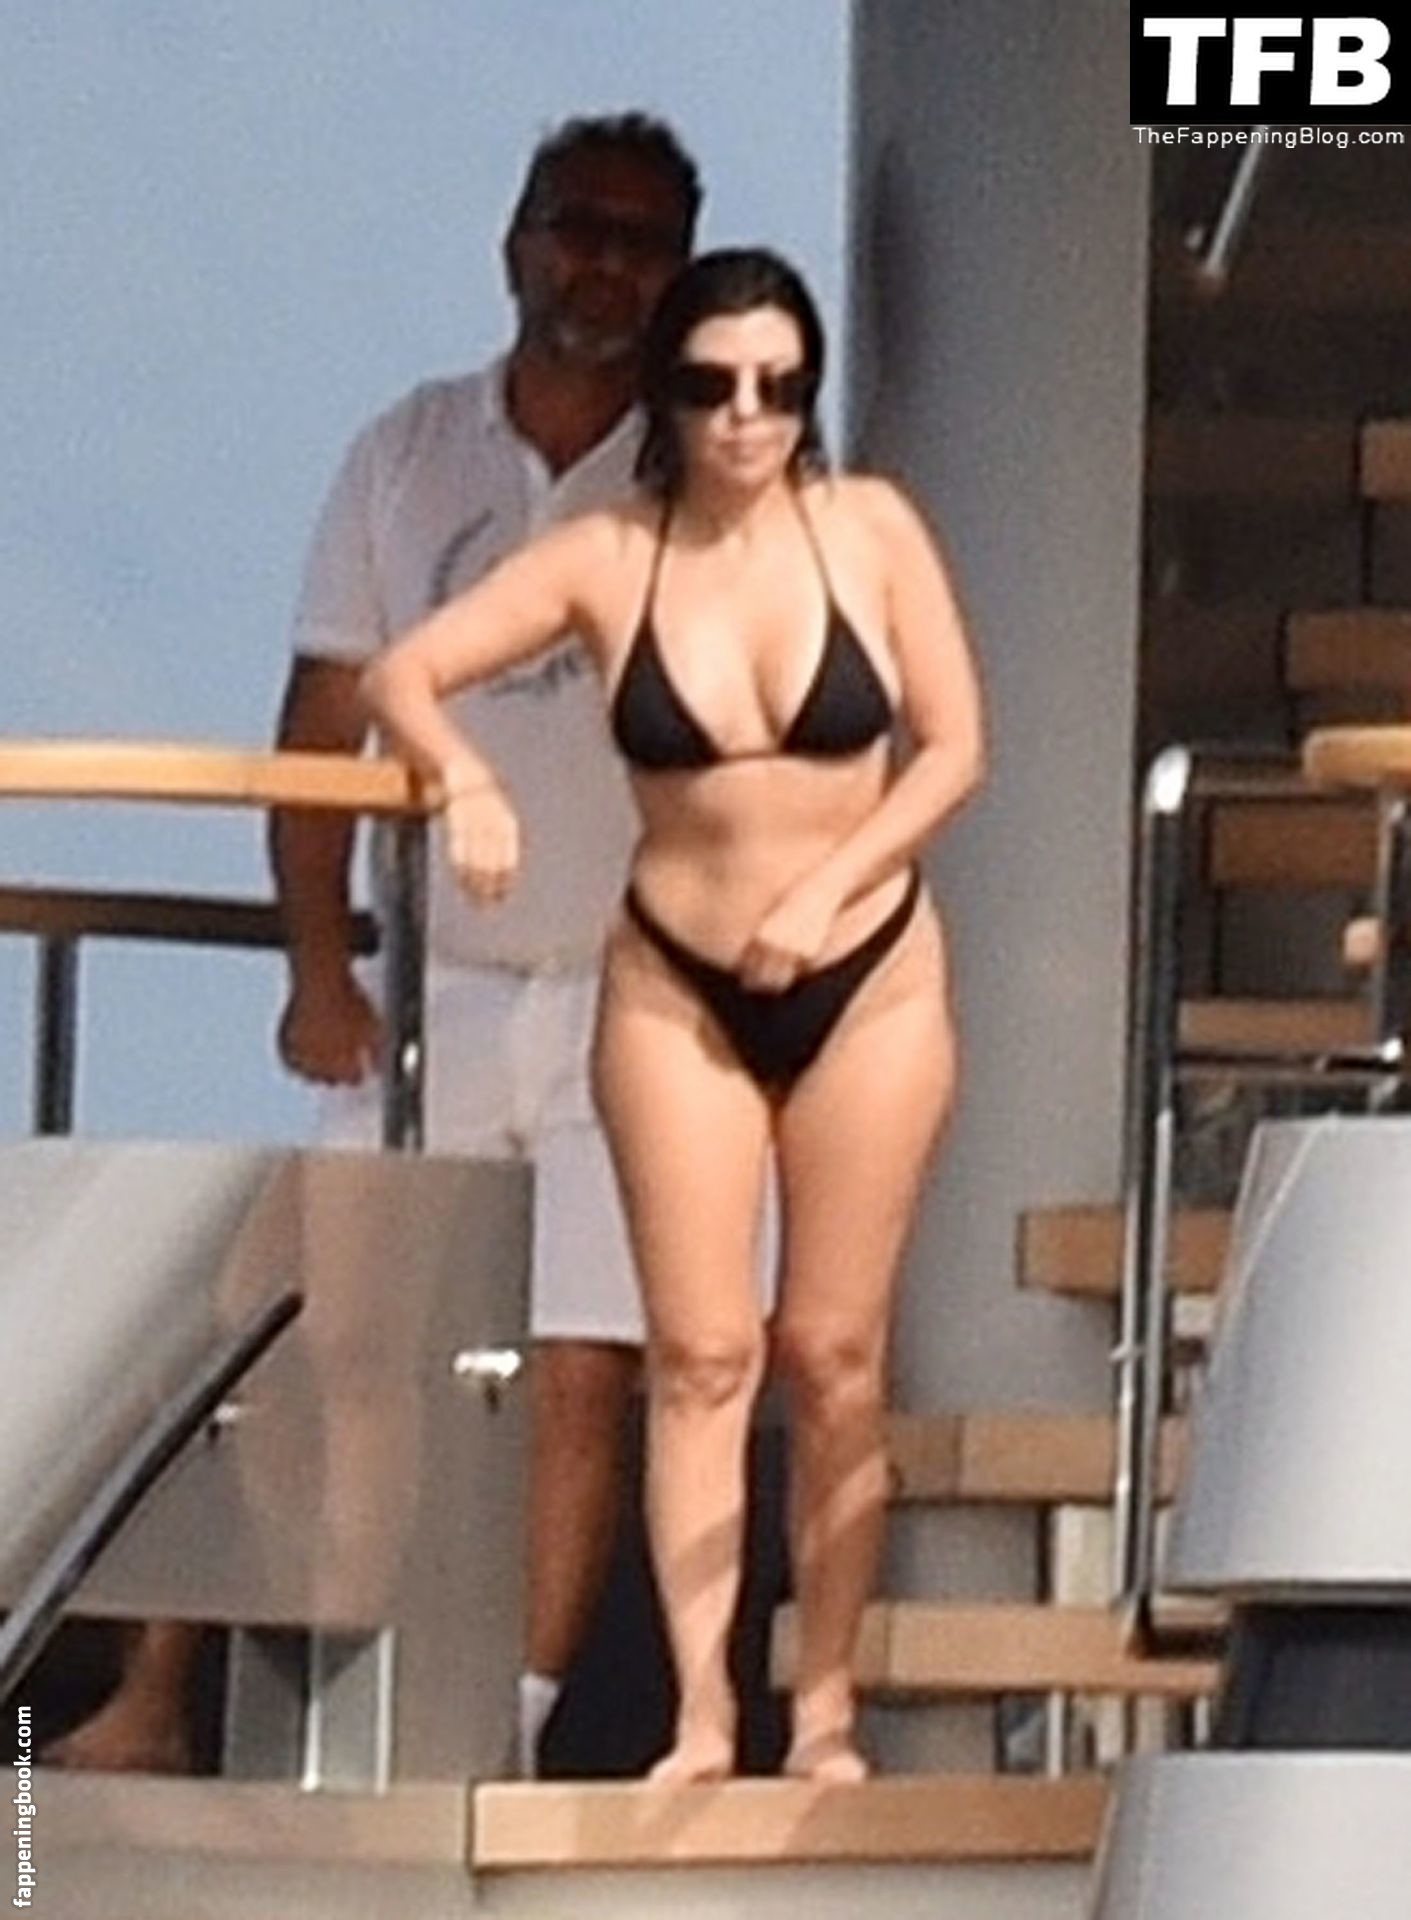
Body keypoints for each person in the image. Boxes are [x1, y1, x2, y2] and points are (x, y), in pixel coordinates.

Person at [43, 111, 702, 1780]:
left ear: (680, 269)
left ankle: (506, 1739)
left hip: (633, 992)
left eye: (640, 240)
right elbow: (317, 727)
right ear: (517, 242)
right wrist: (317, 969)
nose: (604, 266)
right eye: (579, 227)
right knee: (313, 1332)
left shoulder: (709, 472)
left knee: (580, 1370)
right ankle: (218, 1700)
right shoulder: (406, 454)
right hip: (435, 984)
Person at [362, 246, 985, 1784]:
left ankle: (823, 1706)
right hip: (676, 974)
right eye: (713, 387)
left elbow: (953, 747)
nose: (747, 417)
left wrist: (828, 889)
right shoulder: (607, 555)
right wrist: (470, 779)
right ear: (668, 396)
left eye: (779, 386)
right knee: (699, 1352)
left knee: (831, 1351)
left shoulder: (870, 529)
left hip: (865, 967)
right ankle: (703, 1713)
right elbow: (404, 673)